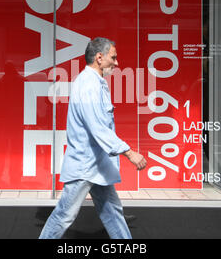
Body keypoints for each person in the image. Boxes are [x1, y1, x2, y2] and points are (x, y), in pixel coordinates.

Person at [38, 37, 147, 239]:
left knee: (112, 213)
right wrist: (129, 153)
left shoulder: (95, 82)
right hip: (85, 165)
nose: (116, 62)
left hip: (97, 164)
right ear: (99, 57)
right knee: (64, 215)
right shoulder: (89, 85)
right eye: (113, 58)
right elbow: (98, 127)